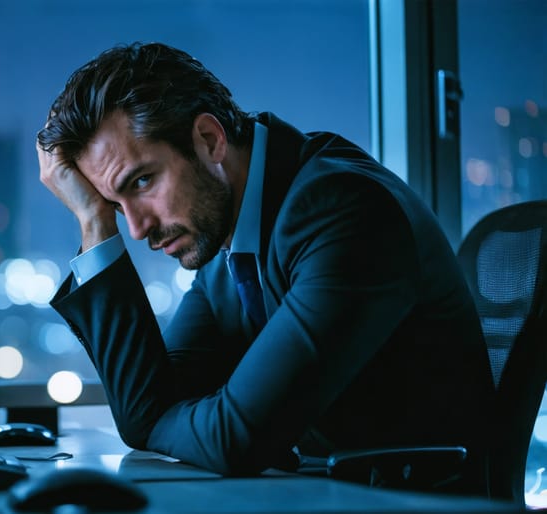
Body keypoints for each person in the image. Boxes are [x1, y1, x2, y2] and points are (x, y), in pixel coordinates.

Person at [36, 42, 495, 491]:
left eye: (141, 181)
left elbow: (234, 438)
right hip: (326, 496)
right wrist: (94, 224)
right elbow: (147, 410)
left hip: (412, 505)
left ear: (210, 140)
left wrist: (173, 418)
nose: (136, 229)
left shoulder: (343, 211)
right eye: (115, 204)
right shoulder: (228, 239)